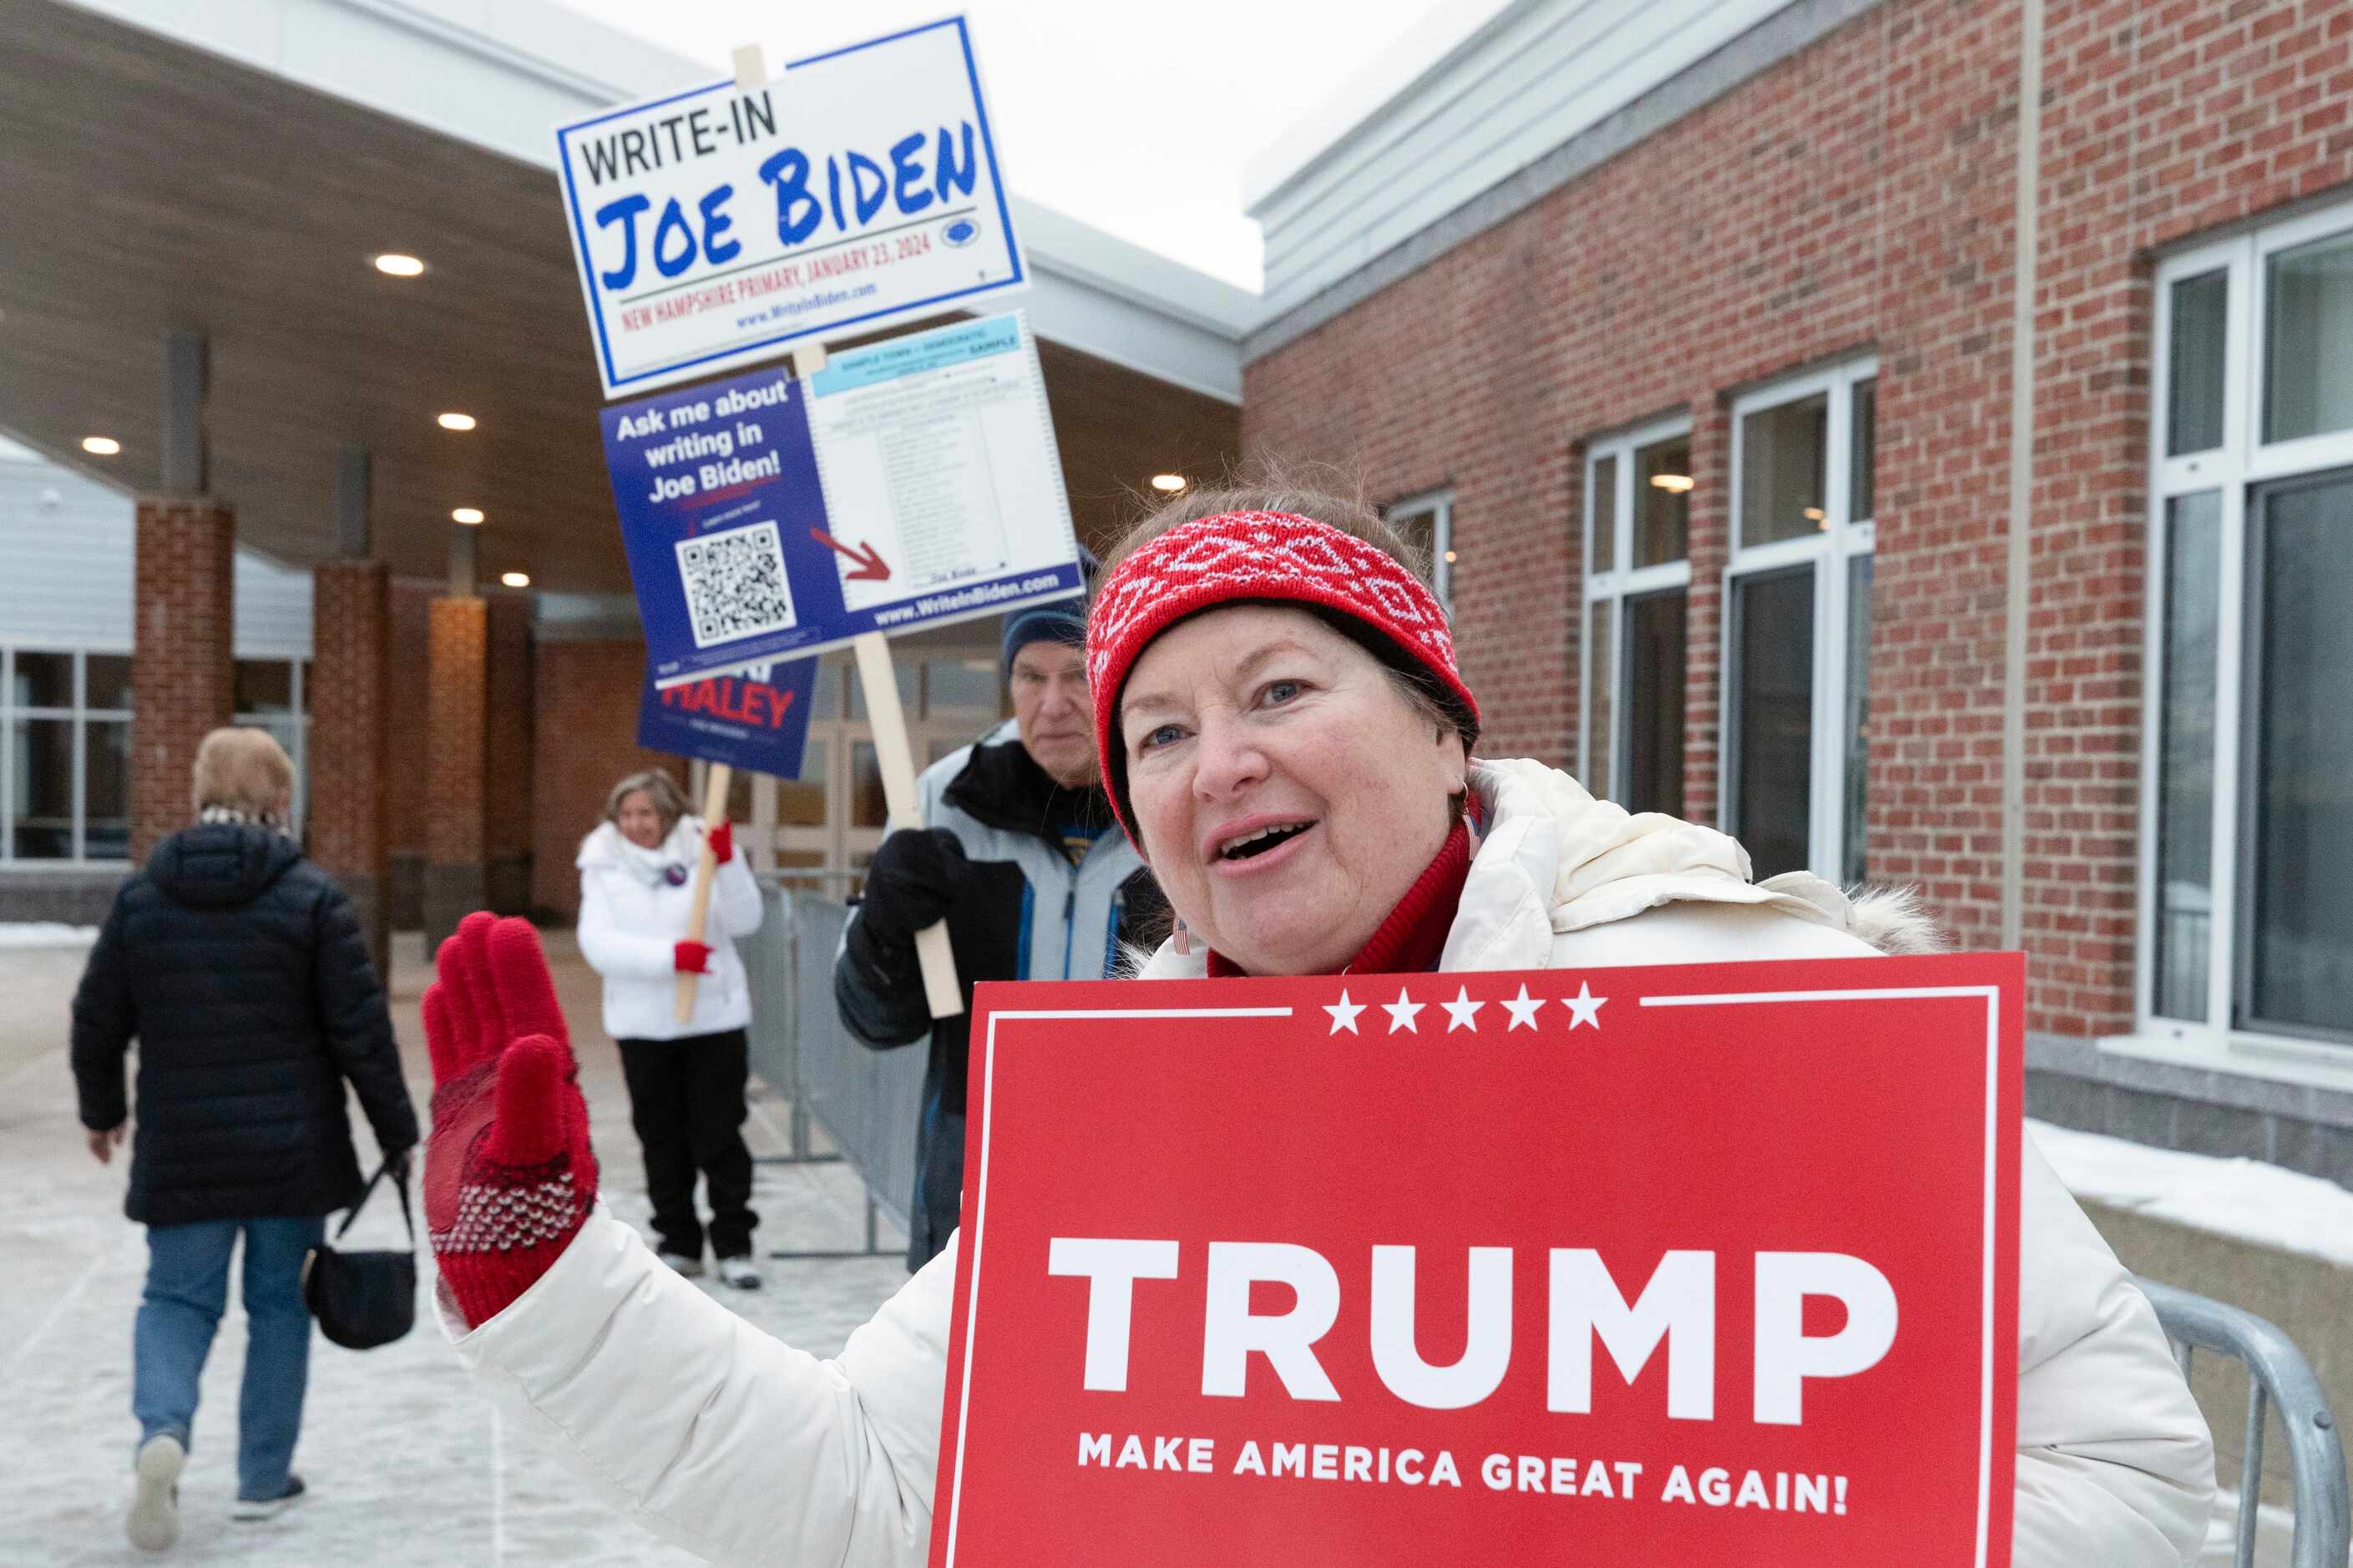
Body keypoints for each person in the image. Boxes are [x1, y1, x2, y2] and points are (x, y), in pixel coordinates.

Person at [422, 489, 2215, 1567]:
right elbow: (880, 1495)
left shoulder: (1757, 1011)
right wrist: (553, 1286)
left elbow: (2128, 1493)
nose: (1222, 763)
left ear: (1445, 727)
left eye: (1279, 688)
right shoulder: (1140, 1120)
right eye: (1160, 735)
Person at [71, 726, 418, 1552]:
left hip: (184, 1147)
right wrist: (396, 1133)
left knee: (176, 1300)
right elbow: (359, 1032)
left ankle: (164, 1430)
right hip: (289, 1158)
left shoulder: (144, 898)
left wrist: (102, 1109)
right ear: (281, 800)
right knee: (278, 1307)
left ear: (197, 792)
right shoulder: (311, 898)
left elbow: (96, 1018)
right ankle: (263, 1480)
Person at [833, 578, 1162, 1266]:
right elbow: (874, 1020)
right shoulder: (944, 799)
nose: (1051, 705)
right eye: (1028, 675)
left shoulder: (1172, 790)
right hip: (974, 1167)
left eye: (1078, 674)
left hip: (1144, 1158)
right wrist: (884, 929)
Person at [576, 768, 765, 1288]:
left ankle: (734, 1242)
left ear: (669, 813)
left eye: (648, 813)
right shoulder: (602, 863)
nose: (638, 824)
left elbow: (746, 919)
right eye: (628, 815)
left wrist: (727, 865)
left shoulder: (703, 846)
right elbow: (596, 943)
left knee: (719, 1133)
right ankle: (678, 1239)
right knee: (661, 1136)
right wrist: (668, 958)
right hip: (643, 1026)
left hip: (713, 1019)